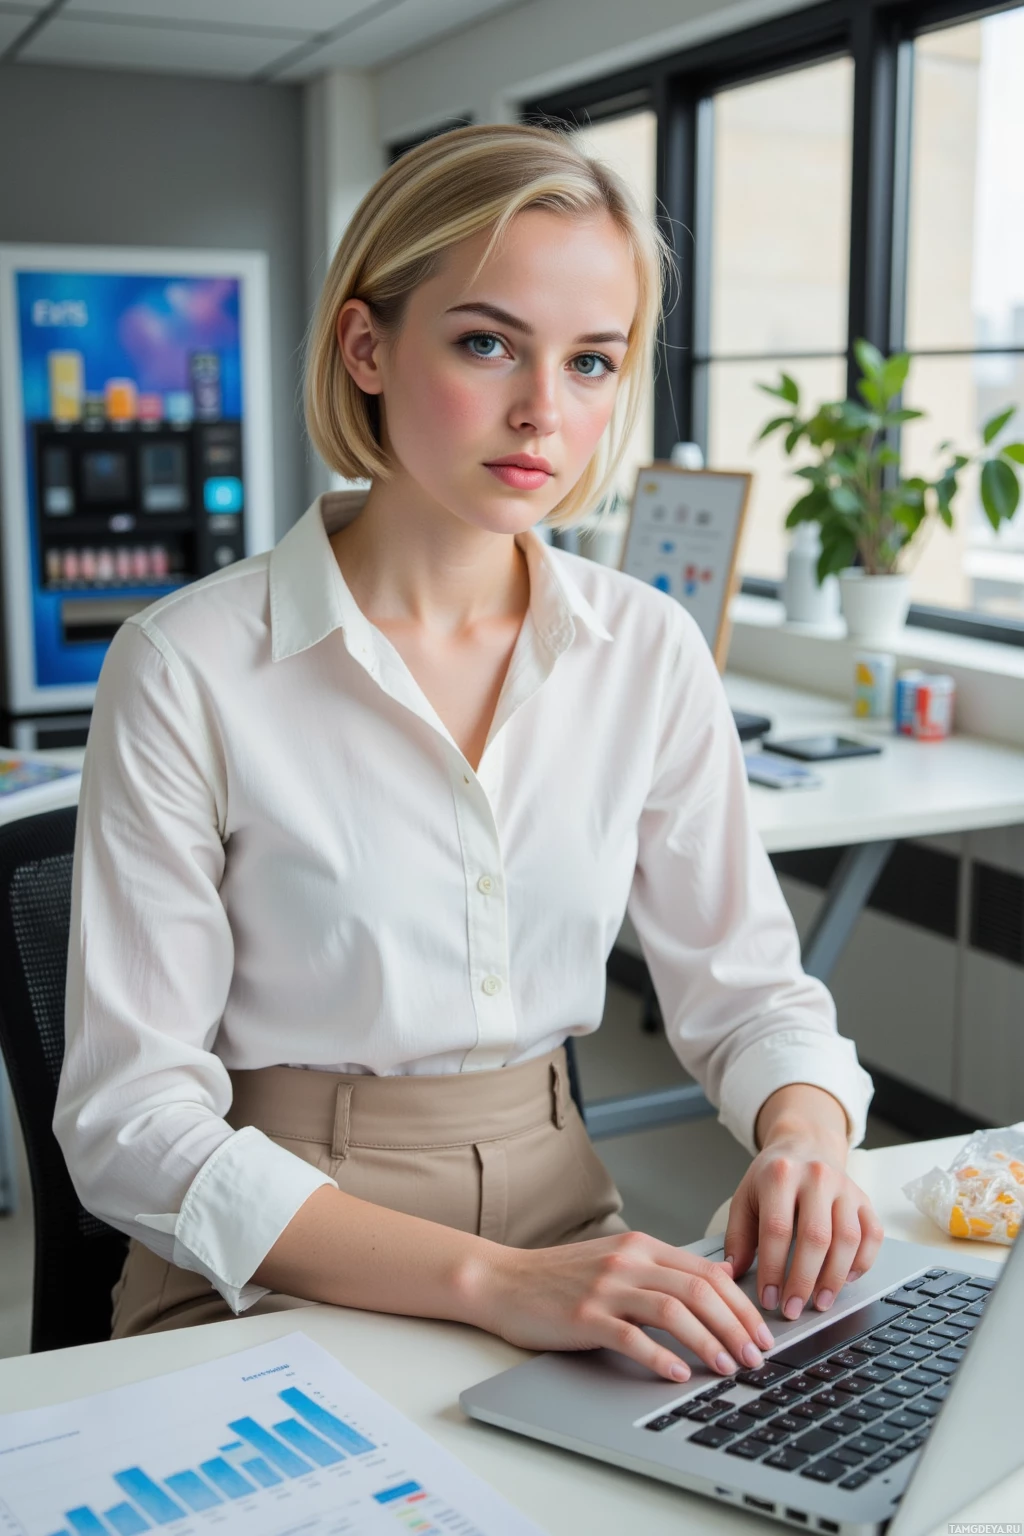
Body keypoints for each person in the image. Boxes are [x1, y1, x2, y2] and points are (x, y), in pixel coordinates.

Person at [54, 123, 881, 1385]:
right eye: (488, 342)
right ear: (368, 345)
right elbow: (131, 1125)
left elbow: (752, 993)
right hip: (279, 1250)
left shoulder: (645, 650)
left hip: (565, 1216)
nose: (545, 412)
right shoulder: (187, 663)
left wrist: (806, 1134)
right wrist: (495, 1284)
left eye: (592, 361)